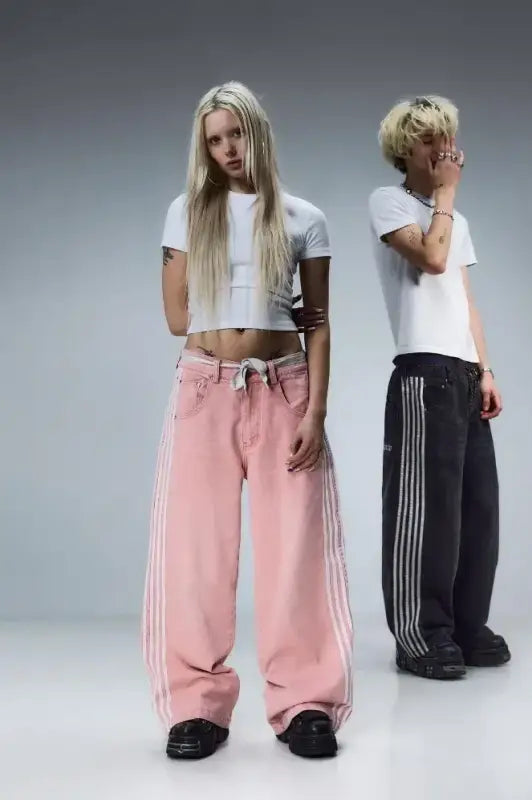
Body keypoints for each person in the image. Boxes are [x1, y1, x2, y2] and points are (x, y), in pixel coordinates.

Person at [142, 81, 353, 760]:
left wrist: (315, 411)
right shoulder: (187, 212)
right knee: (196, 550)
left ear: (257, 132)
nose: (226, 150)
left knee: (295, 549)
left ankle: (305, 704)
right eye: (213, 140)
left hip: (285, 389)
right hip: (205, 388)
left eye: (235, 134)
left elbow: (317, 322)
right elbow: (178, 319)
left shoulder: (303, 218)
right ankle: (196, 707)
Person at [368, 95, 511, 680]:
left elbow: (464, 298)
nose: (442, 148)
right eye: (429, 138)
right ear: (406, 148)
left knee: (477, 508)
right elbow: (431, 259)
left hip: (462, 372)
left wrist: (487, 368)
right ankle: (421, 636)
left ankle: (467, 626)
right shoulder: (388, 202)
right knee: (423, 511)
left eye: (446, 136)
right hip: (422, 373)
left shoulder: (460, 222)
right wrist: (446, 196)